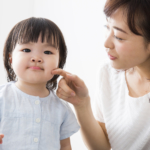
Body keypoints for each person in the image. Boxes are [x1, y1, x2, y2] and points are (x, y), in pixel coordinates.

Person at [52, 0, 150, 149]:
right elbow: (101, 147)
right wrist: (82, 104)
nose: (106, 43)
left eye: (118, 36)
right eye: (107, 27)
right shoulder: (108, 72)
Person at [0, 17, 80, 150]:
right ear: (11, 58)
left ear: (59, 62)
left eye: (47, 52)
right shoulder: (2, 98)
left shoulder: (62, 109)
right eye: (26, 50)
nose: (36, 58)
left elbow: (65, 146)